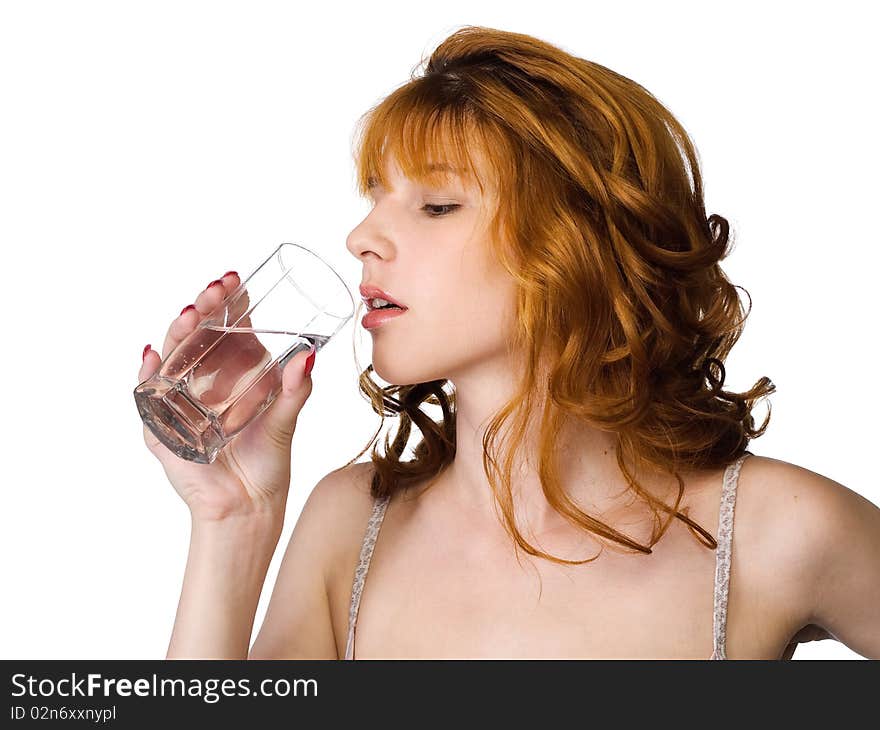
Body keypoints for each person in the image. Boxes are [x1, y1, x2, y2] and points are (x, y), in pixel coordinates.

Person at [137, 25, 880, 660]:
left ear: (581, 241)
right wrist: (231, 521)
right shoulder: (347, 527)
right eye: (374, 198)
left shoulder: (780, 529)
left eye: (436, 204)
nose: (361, 238)